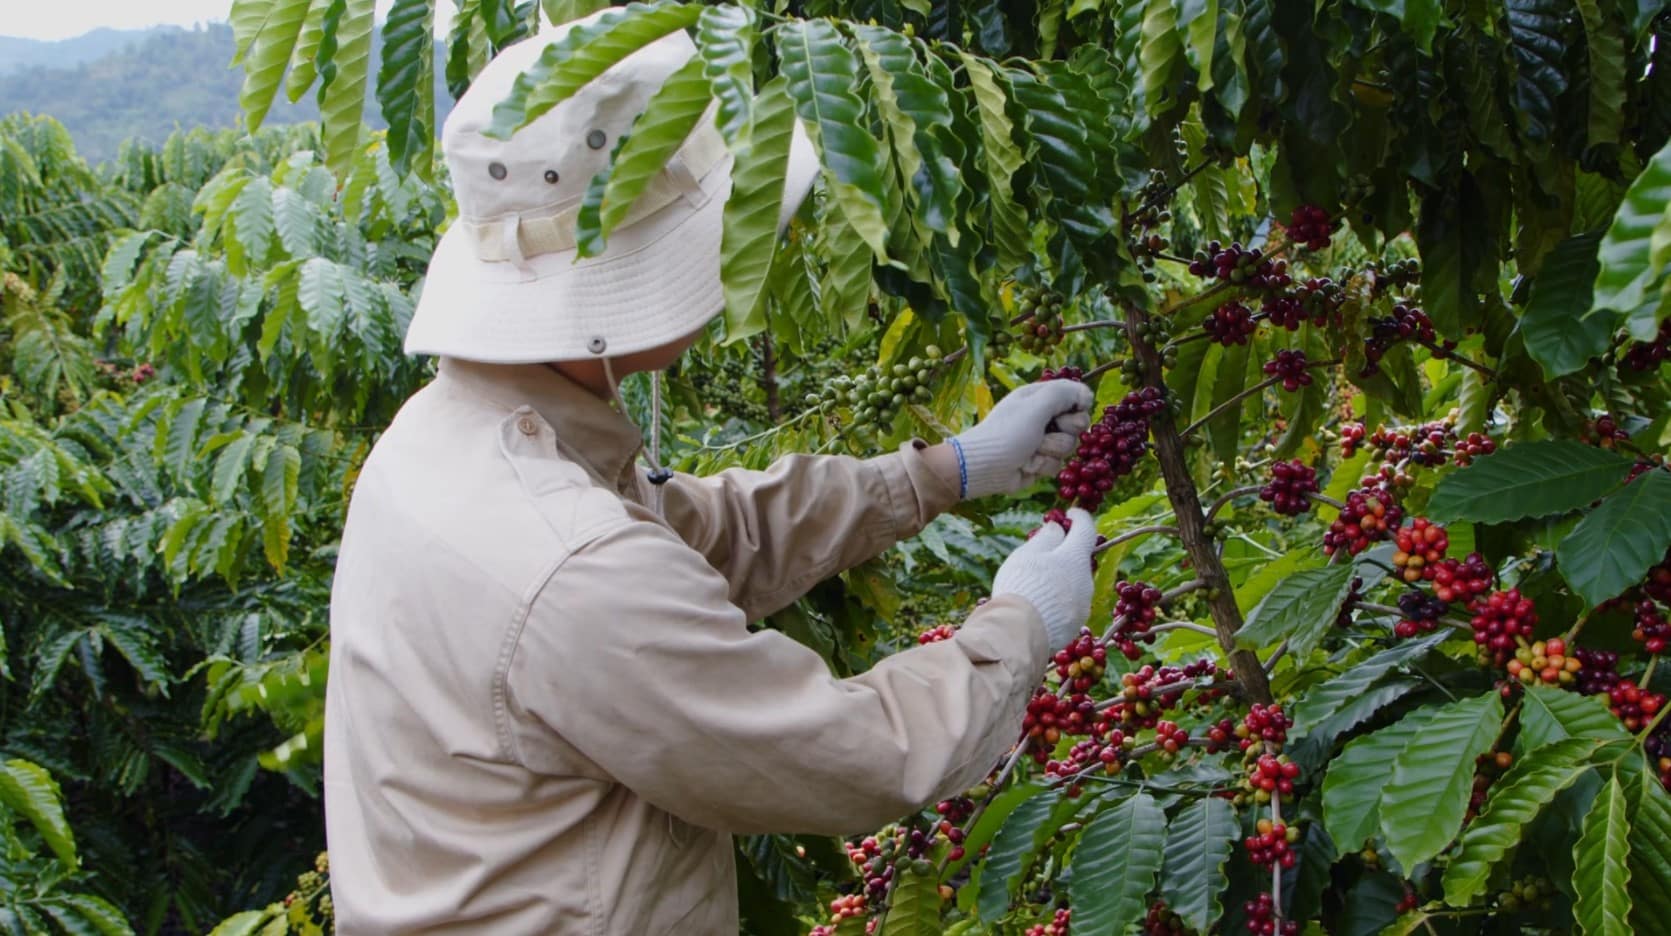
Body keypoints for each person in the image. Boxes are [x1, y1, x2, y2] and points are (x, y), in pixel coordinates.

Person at [322, 11, 1099, 934]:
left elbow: (698, 534)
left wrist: (942, 472)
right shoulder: (571, 568)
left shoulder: (448, 435)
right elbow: (849, 753)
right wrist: (1020, 626)